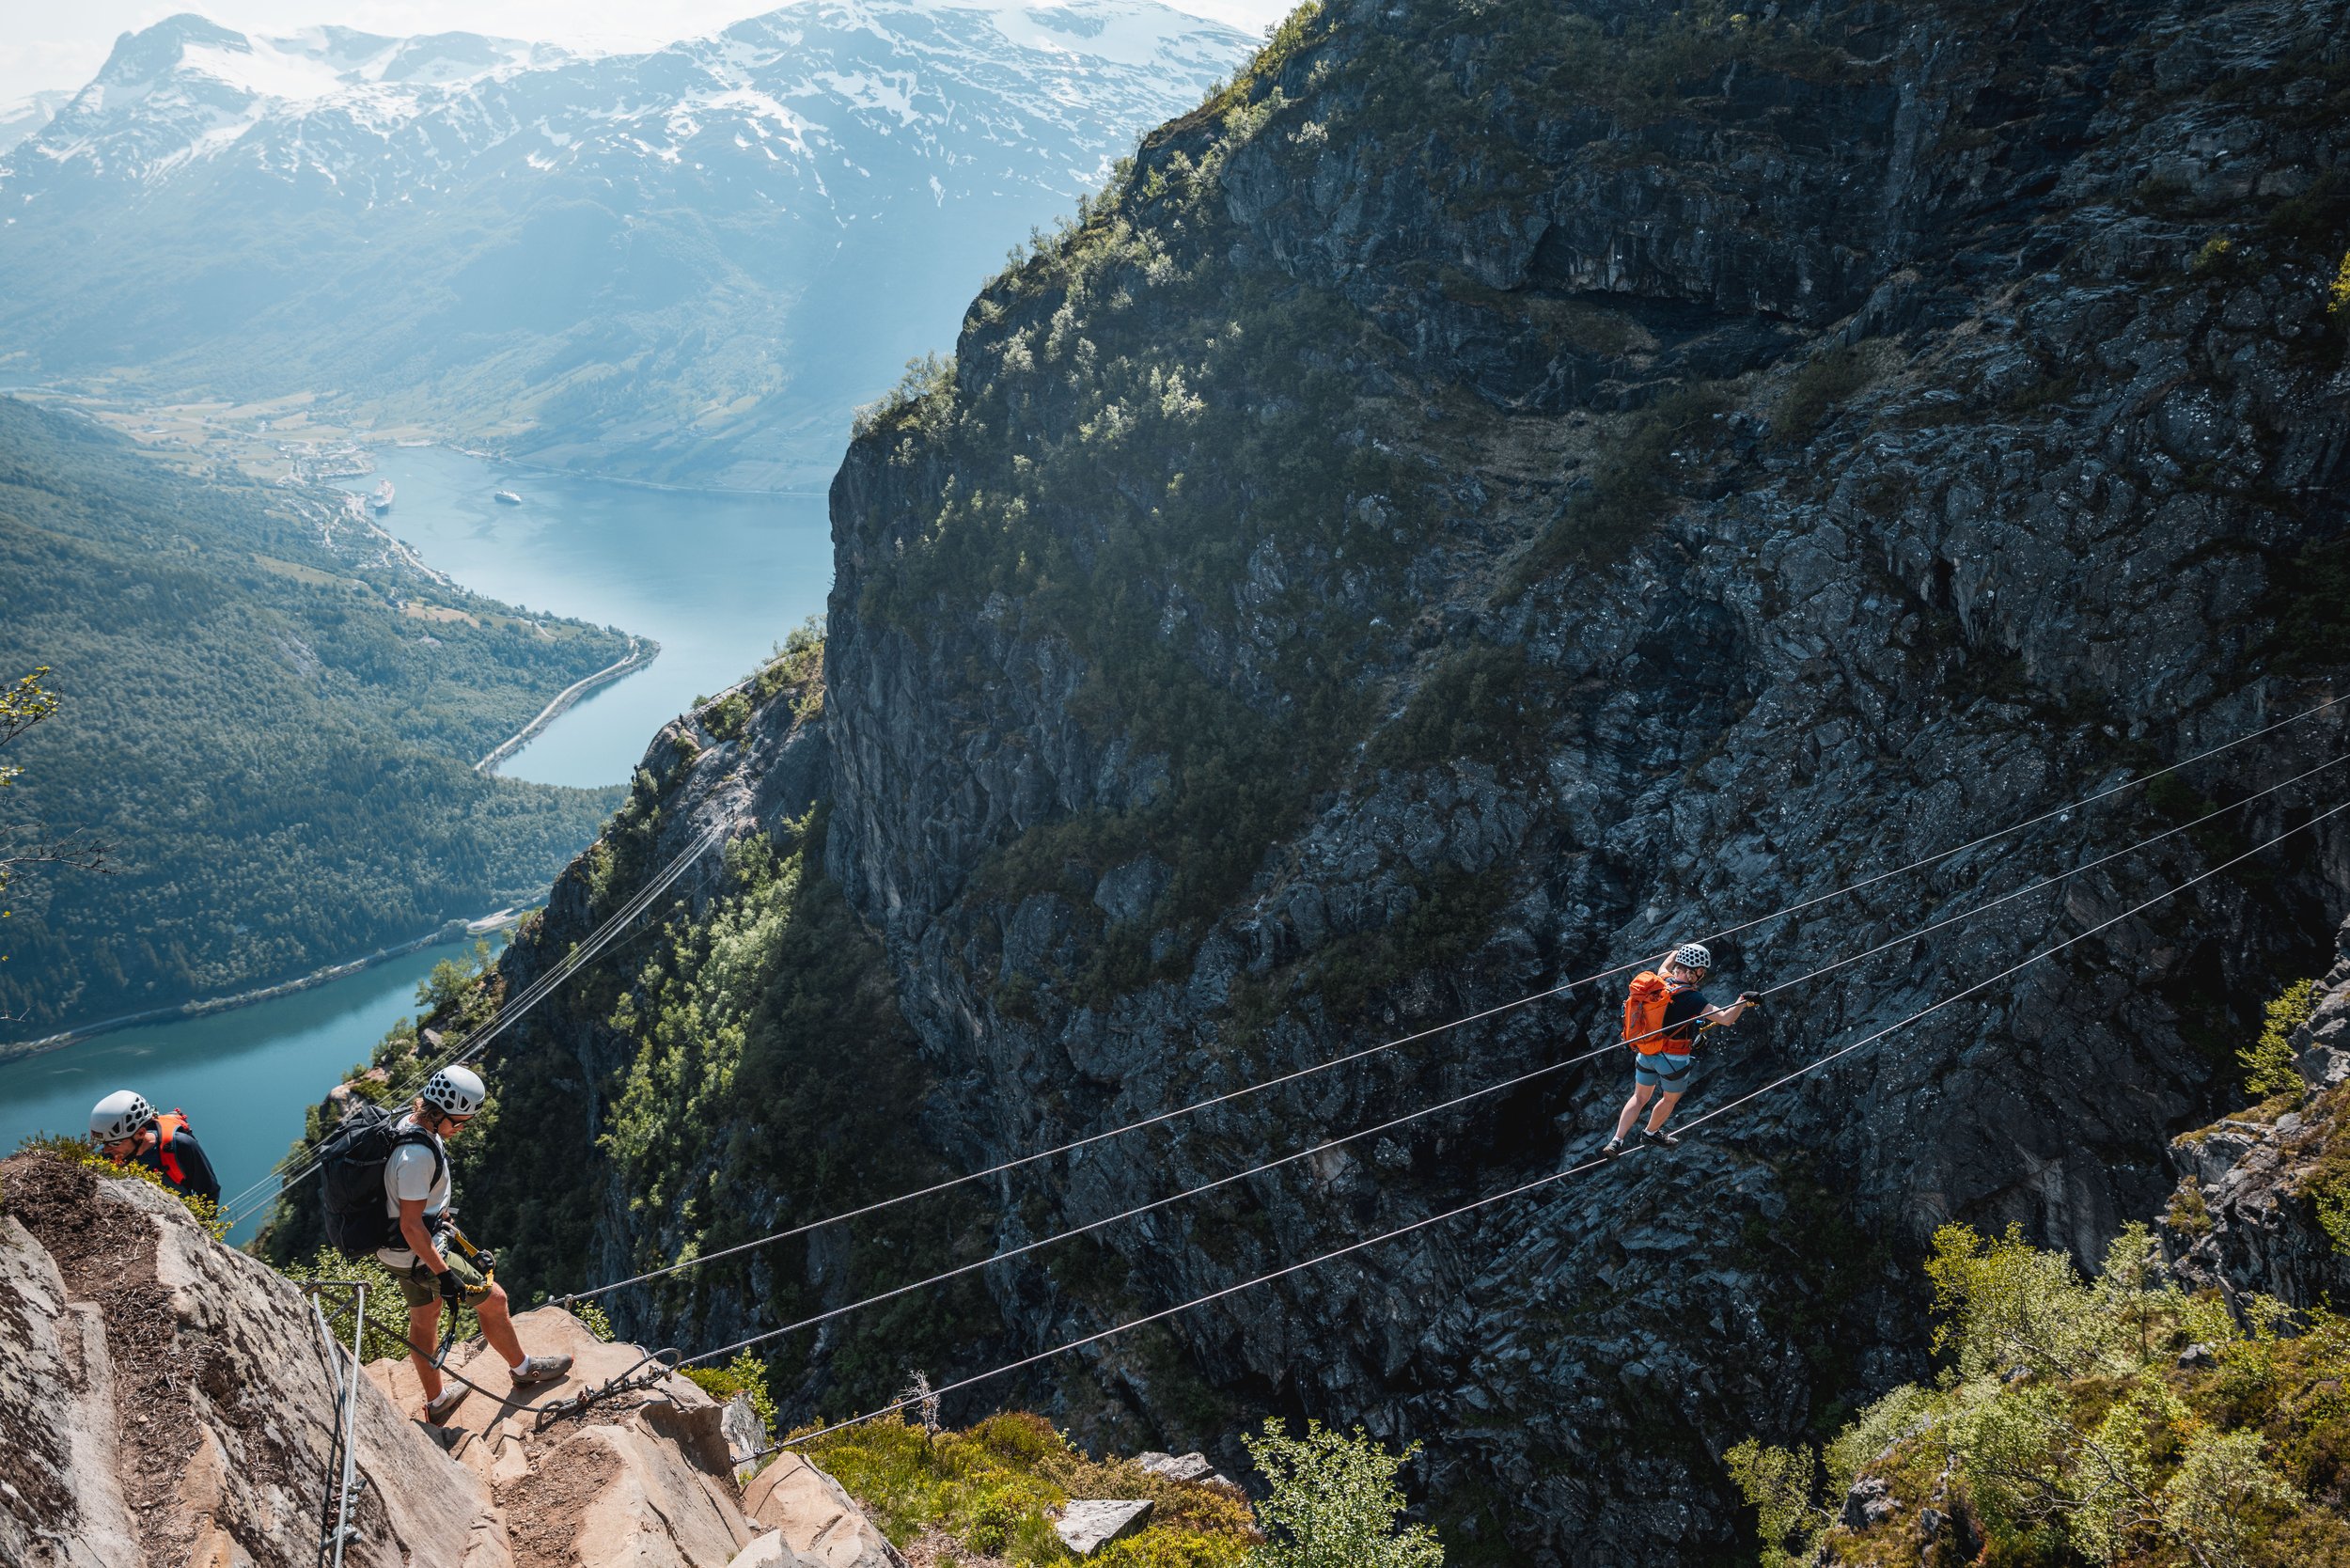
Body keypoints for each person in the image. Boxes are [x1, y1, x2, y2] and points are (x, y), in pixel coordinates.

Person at [380, 1066, 572, 1421]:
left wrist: (441, 1219)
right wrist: (445, 1274)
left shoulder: (409, 1125)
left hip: (396, 1252)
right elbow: (410, 1225)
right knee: (494, 1300)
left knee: (425, 1318)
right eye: (460, 1121)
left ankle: (437, 1402)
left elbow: (410, 1212)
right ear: (440, 1115)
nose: (462, 1128)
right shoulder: (416, 1157)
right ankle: (523, 1370)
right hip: (419, 1253)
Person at [1600, 943, 1756, 1157]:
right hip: (1673, 1059)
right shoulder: (1693, 998)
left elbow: (1663, 966)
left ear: (1679, 966)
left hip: (1646, 1052)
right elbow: (1726, 1019)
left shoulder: (1661, 981)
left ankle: (1616, 1140)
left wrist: (1676, 952)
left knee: (1639, 1098)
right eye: (1702, 972)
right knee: (1670, 1098)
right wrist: (1743, 1000)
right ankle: (1651, 1132)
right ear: (1698, 972)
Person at [88, 1090, 222, 1207]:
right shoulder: (107, 1157)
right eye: (103, 1143)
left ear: (140, 1133)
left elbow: (209, 1192)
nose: (105, 1150)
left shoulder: (181, 1146)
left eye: (114, 1143)